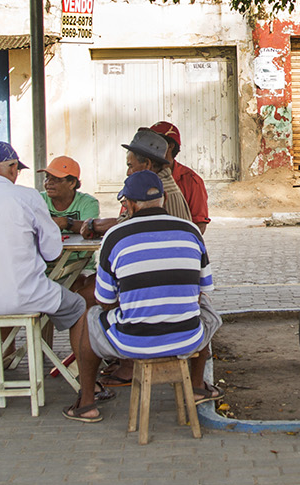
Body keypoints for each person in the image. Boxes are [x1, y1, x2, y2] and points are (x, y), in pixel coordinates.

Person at [67, 170, 222, 423]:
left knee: (90, 316)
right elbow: (203, 290)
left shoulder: (114, 236)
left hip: (131, 343)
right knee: (204, 309)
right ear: (162, 199)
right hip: (187, 339)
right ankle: (196, 387)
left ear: (129, 203)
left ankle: (86, 404)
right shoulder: (191, 231)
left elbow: (104, 301)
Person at [0, 141, 90, 408]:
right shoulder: (27, 197)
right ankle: (86, 384)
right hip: (25, 296)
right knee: (78, 307)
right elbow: (51, 252)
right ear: (13, 168)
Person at [41, 154, 101, 302]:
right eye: (47, 178)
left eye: (56, 179)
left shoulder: (88, 203)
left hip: (78, 266)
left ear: (72, 183)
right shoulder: (39, 200)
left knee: (80, 289)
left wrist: (66, 223)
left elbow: (91, 229)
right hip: (44, 268)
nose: (49, 183)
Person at [149, 120, 211, 233]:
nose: (148, 146)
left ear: (170, 147)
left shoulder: (192, 181)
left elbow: (199, 225)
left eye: (153, 142)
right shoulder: (140, 177)